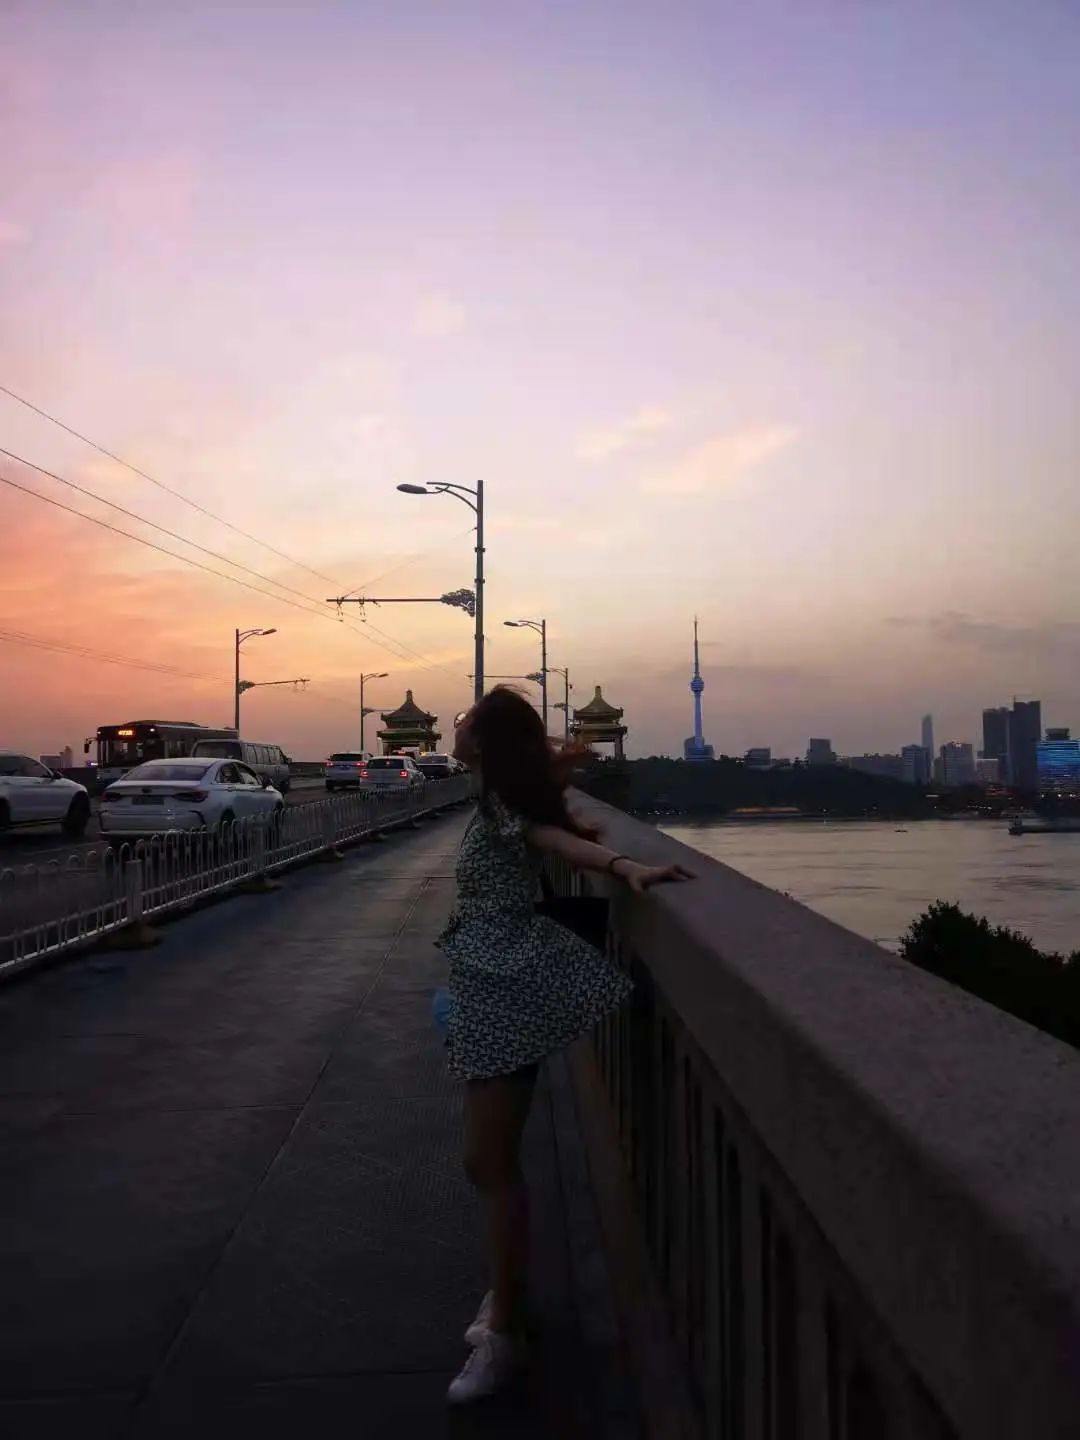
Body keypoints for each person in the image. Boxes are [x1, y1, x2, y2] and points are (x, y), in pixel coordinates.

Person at [439, 687, 693, 1404]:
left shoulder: (505, 807)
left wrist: (622, 866)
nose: (456, 726)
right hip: (487, 982)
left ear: (484, 743)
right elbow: (553, 821)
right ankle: (508, 1295)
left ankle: (508, 1331)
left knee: (490, 1160)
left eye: (466, 721)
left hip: (508, 983)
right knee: (488, 1160)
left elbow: (557, 841)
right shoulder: (491, 797)